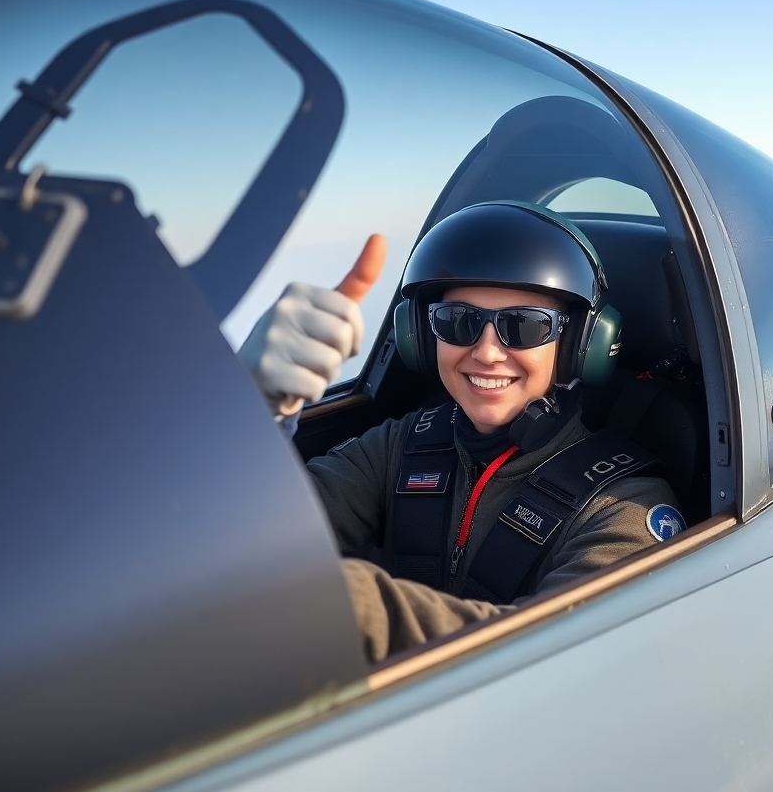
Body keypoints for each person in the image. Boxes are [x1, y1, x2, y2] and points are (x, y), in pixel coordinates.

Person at [239, 202, 682, 662]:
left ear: (578, 347)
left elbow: (560, 660)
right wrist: (248, 412)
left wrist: (351, 603)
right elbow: (245, 549)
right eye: (459, 323)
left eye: (525, 325)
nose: (486, 352)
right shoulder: (403, 445)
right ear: (422, 335)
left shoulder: (624, 508)